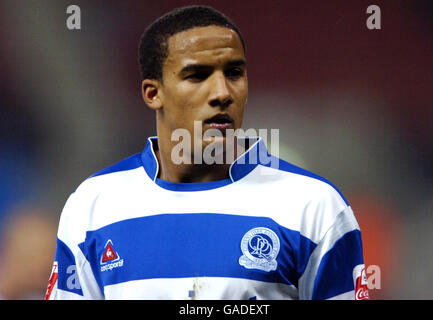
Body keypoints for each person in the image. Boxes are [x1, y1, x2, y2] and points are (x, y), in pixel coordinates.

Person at [46, 5, 368, 300]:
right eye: (197, 75)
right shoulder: (92, 208)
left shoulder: (315, 208)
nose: (222, 93)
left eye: (234, 73)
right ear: (153, 93)